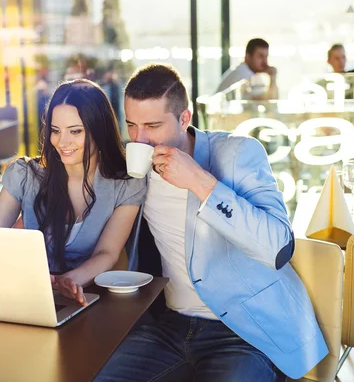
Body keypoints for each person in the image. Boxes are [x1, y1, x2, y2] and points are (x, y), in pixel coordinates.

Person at [95, 64, 327, 382]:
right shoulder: (137, 170)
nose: (141, 139)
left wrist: (200, 182)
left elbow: (278, 246)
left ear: (185, 118)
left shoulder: (238, 153)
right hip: (170, 327)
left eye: (152, 125)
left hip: (244, 331)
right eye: (132, 125)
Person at [0, 79, 147, 306]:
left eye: (75, 131)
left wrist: (69, 281)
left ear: (99, 130)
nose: (63, 142)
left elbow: (107, 252)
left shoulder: (126, 184)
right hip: (28, 296)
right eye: (55, 131)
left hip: (92, 299)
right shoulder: (25, 175)